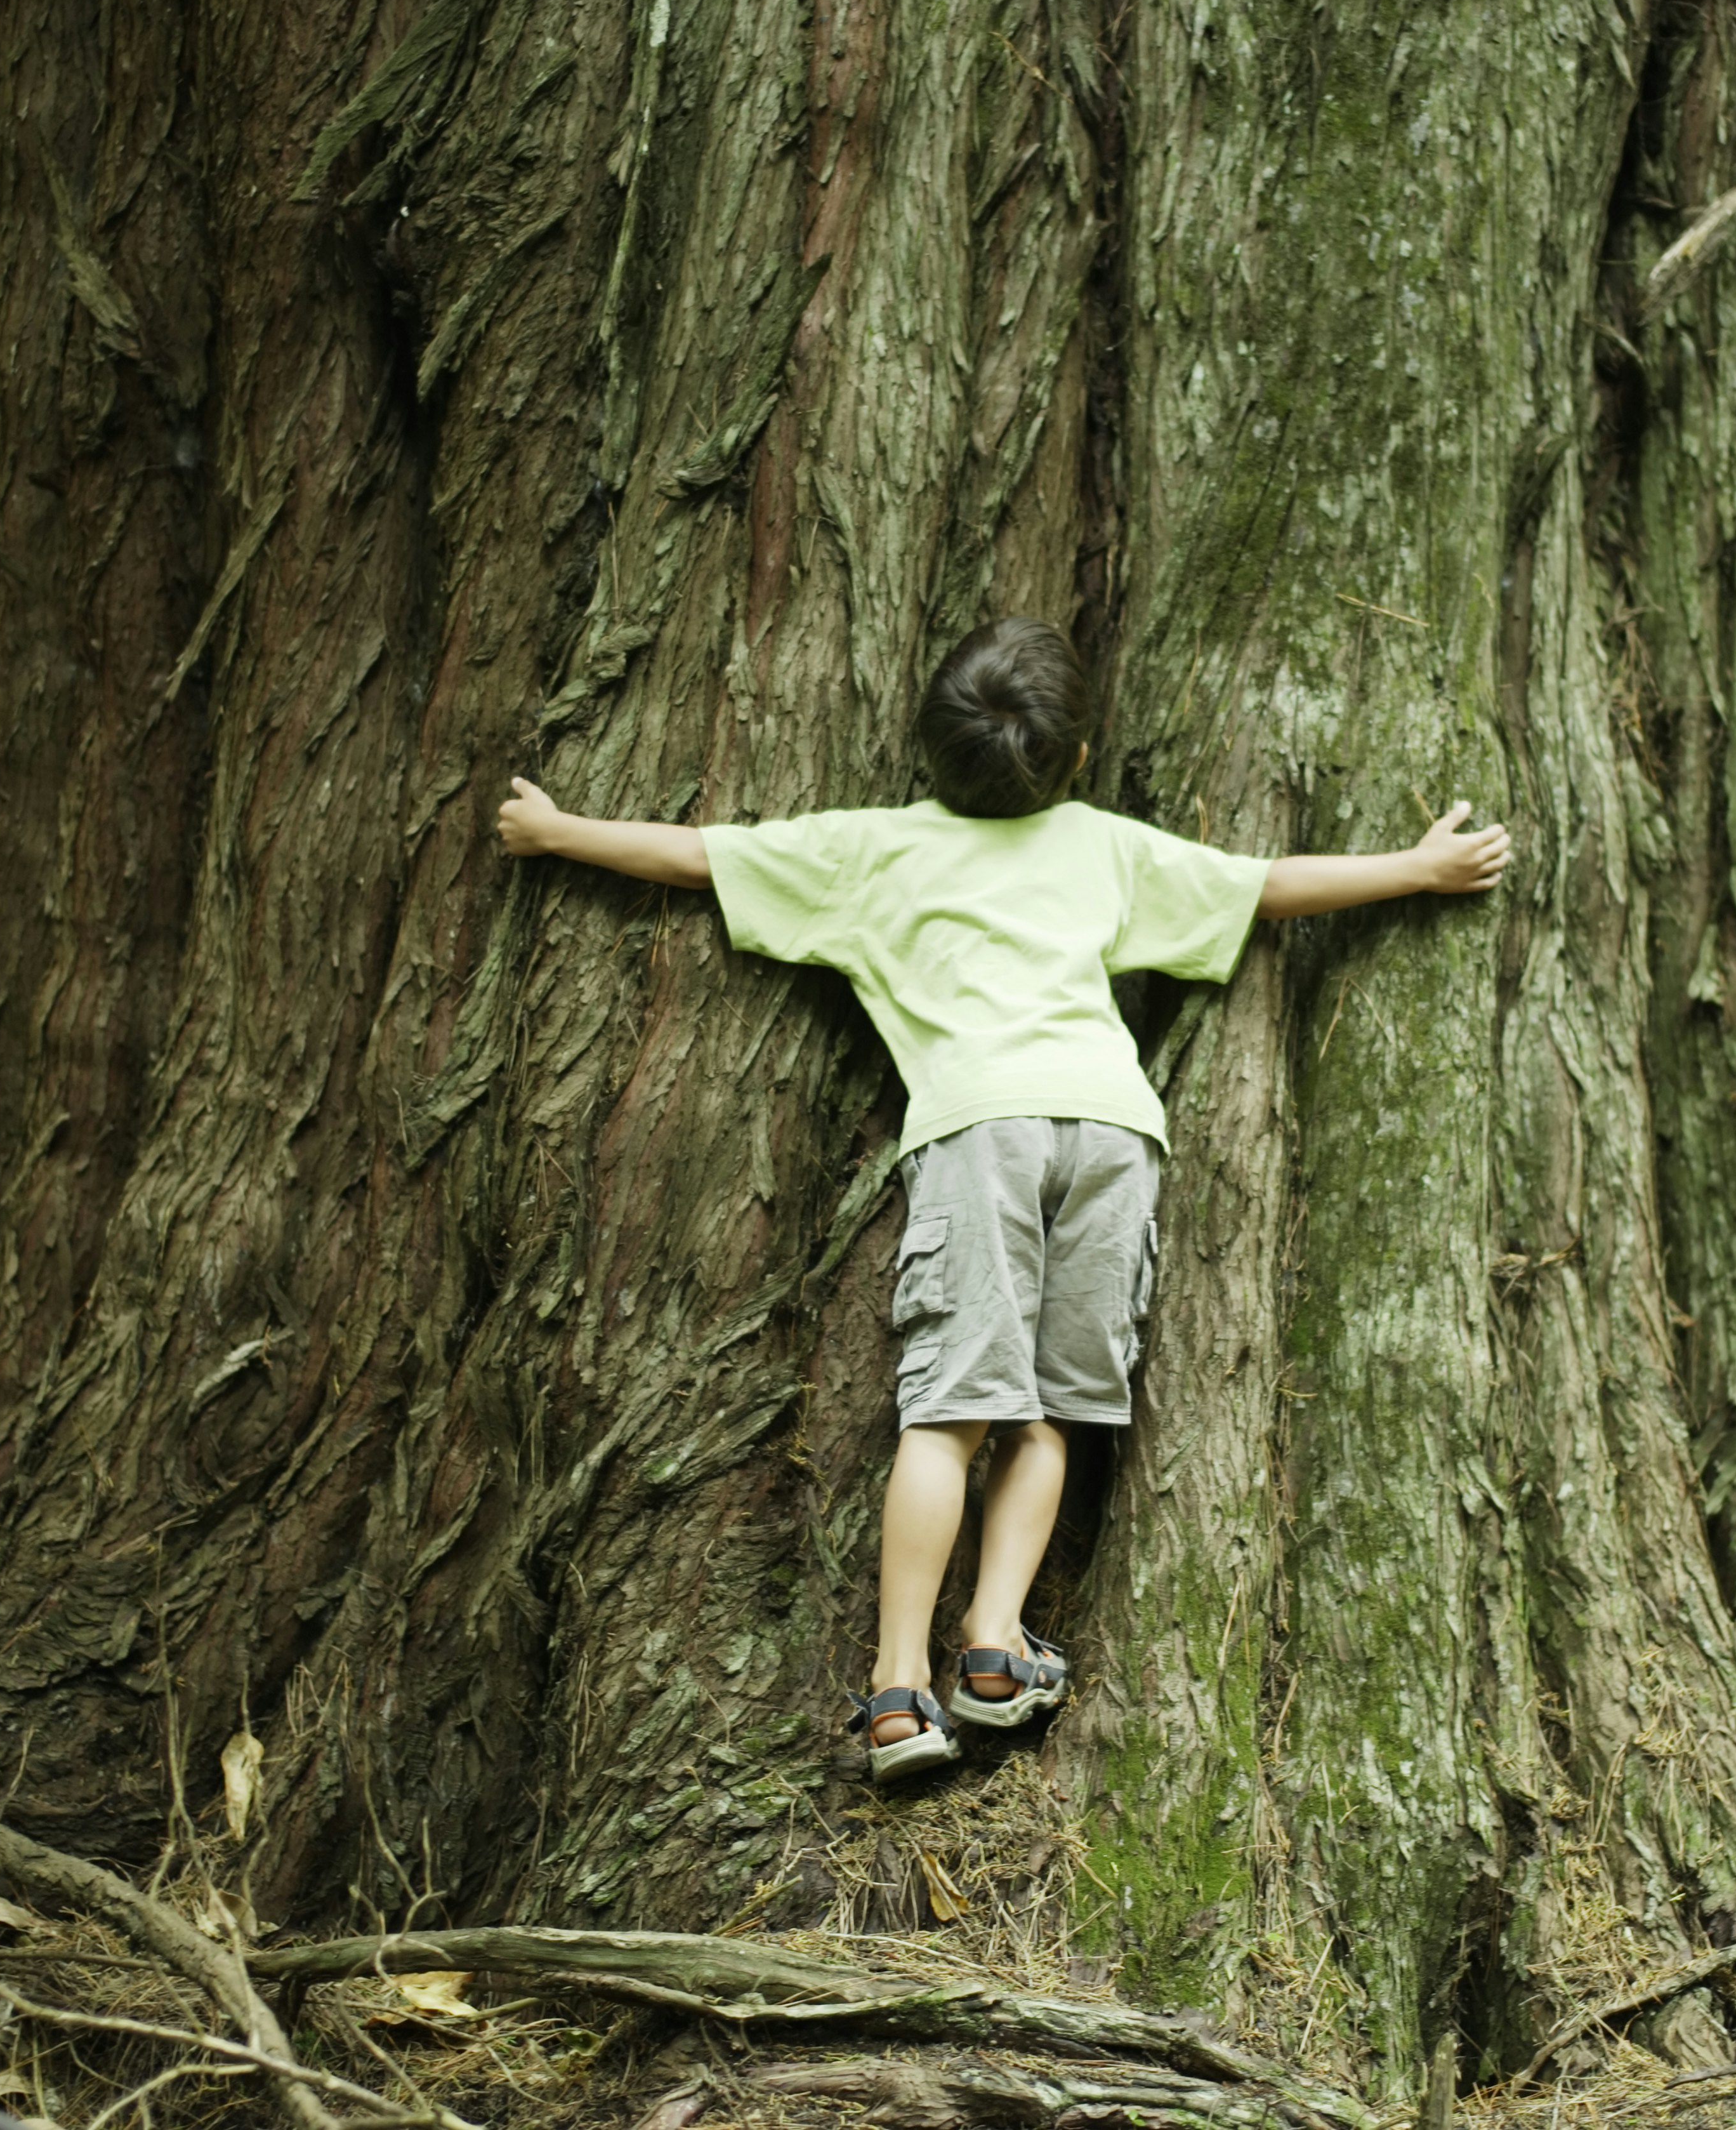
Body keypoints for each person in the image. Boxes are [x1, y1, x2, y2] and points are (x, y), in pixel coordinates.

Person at [497, 616, 1509, 1783]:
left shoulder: (870, 851)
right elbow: (1266, 885)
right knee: (1052, 1407)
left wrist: (557, 830)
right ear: (1075, 758)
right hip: (1113, 1130)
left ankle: (897, 1689)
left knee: (951, 1410)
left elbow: (701, 857)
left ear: (928, 746)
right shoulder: (1102, 845)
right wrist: (1420, 868)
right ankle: (991, 1644)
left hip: (981, 1129)